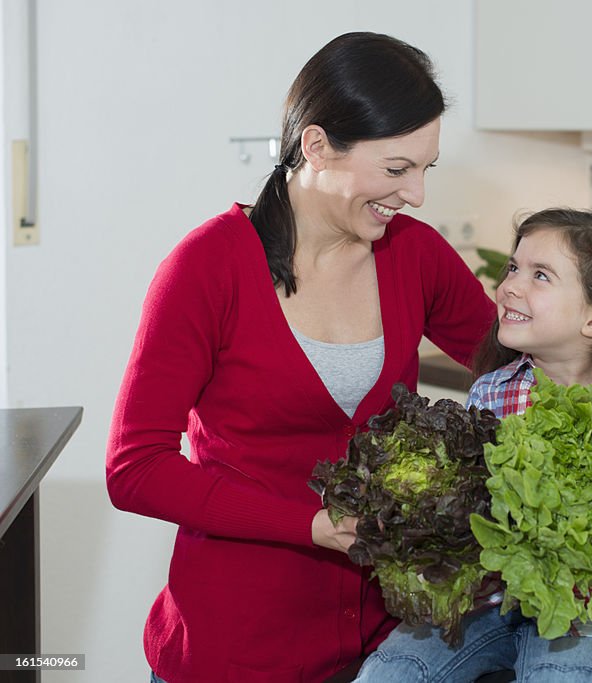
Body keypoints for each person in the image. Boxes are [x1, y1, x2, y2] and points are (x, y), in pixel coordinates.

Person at [105, 33, 495, 683]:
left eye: (427, 169)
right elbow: (134, 467)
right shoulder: (206, 269)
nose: (418, 194)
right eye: (398, 169)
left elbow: (542, 363)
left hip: (381, 649)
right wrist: (312, 523)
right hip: (235, 650)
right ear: (316, 145)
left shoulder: (416, 256)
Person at [356, 208, 592, 683]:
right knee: (392, 671)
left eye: (540, 275)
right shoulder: (493, 392)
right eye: (513, 268)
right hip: (486, 603)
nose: (509, 286)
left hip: (589, 619)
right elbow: (471, 505)